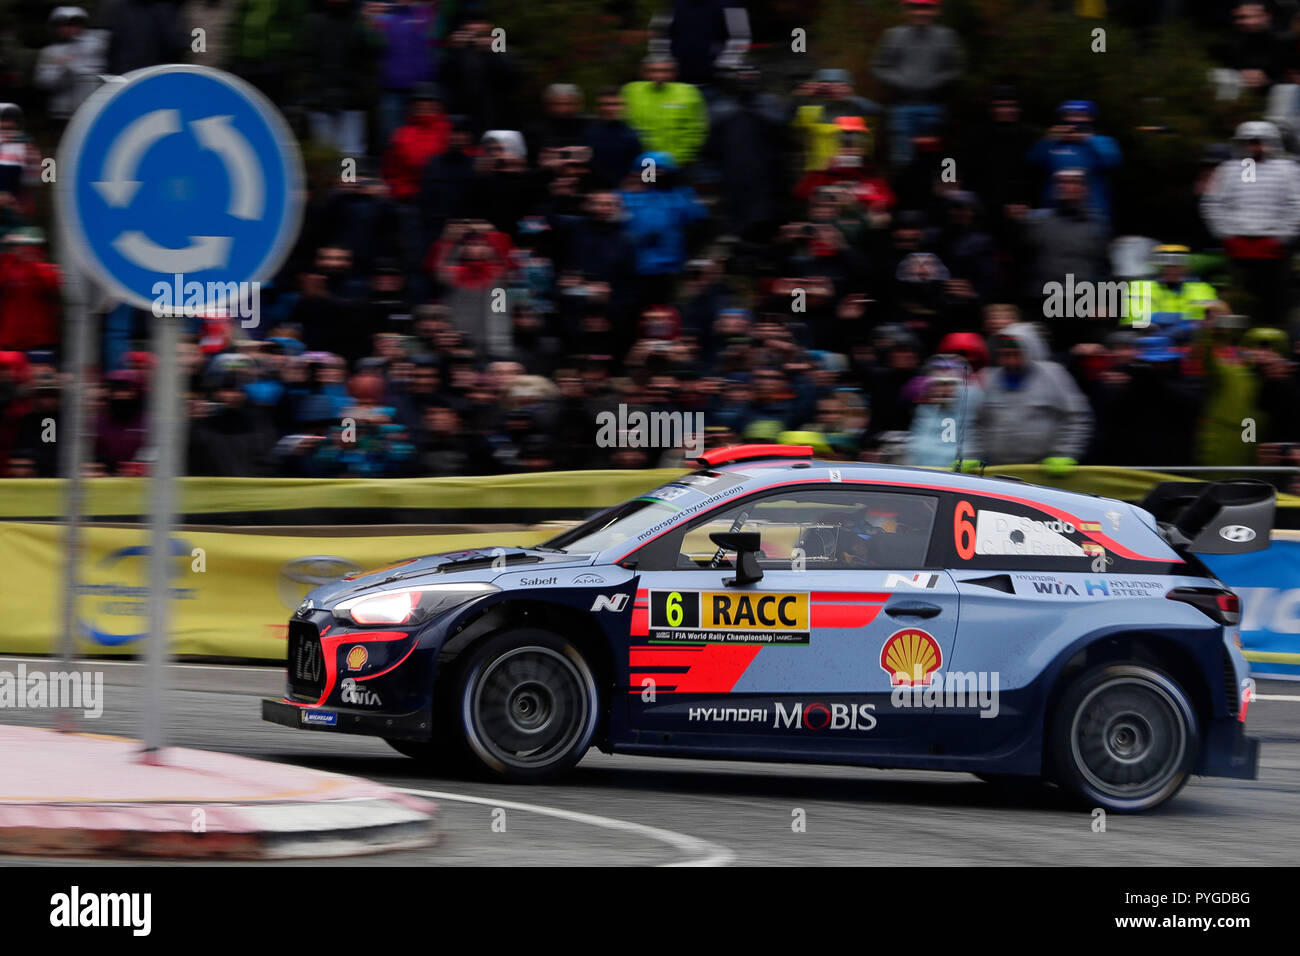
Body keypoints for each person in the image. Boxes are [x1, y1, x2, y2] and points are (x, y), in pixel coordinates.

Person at [1200, 120, 1300, 326]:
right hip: (1239, 250)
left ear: (1271, 142)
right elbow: (1213, 203)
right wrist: (1226, 235)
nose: (1255, 147)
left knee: (1276, 304)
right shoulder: (1229, 170)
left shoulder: (1287, 170)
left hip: (1275, 250)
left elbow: (1296, 204)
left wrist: (1282, 238)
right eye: (1250, 142)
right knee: (1238, 303)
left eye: (1259, 142)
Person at [970, 322, 1093, 470]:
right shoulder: (989, 378)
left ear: (1030, 351)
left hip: (1043, 470)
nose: (1010, 360)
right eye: (1004, 354)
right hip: (996, 468)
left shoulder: (1054, 375)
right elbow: (974, 423)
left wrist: (1065, 453)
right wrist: (971, 455)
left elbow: (1077, 417)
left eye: (1016, 354)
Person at [871, 0, 964, 167]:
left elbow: (956, 68)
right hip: (901, 106)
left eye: (926, 8)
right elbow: (879, 67)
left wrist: (936, 80)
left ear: (936, 10)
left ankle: (933, 191)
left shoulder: (947, 36)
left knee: (935, 159)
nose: (920, 13)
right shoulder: (893, 35)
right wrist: (901, 80)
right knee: (902, 160)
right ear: (906, 10)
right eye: (915, 7)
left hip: (934, 105)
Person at [620, 55, 709, 167]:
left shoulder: (689, 92)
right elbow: (622, 125)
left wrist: (682, 158)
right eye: (654, 71)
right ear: (644, 73)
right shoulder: (631, 91)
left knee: (680, 185)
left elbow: (698, 128)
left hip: (679, 162)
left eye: (666, 71)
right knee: (649, 183)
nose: (660, 75)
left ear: (674, 73)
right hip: (643, 162)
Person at [32, 7, 106, 124]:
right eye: (64, 24)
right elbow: (42, 82)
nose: (69, 29)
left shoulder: (96, 46)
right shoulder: (49, 52)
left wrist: (70, 63)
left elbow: (95, 75)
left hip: (88, 110)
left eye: (75, 24)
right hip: (61, 112)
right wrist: (62, 68)